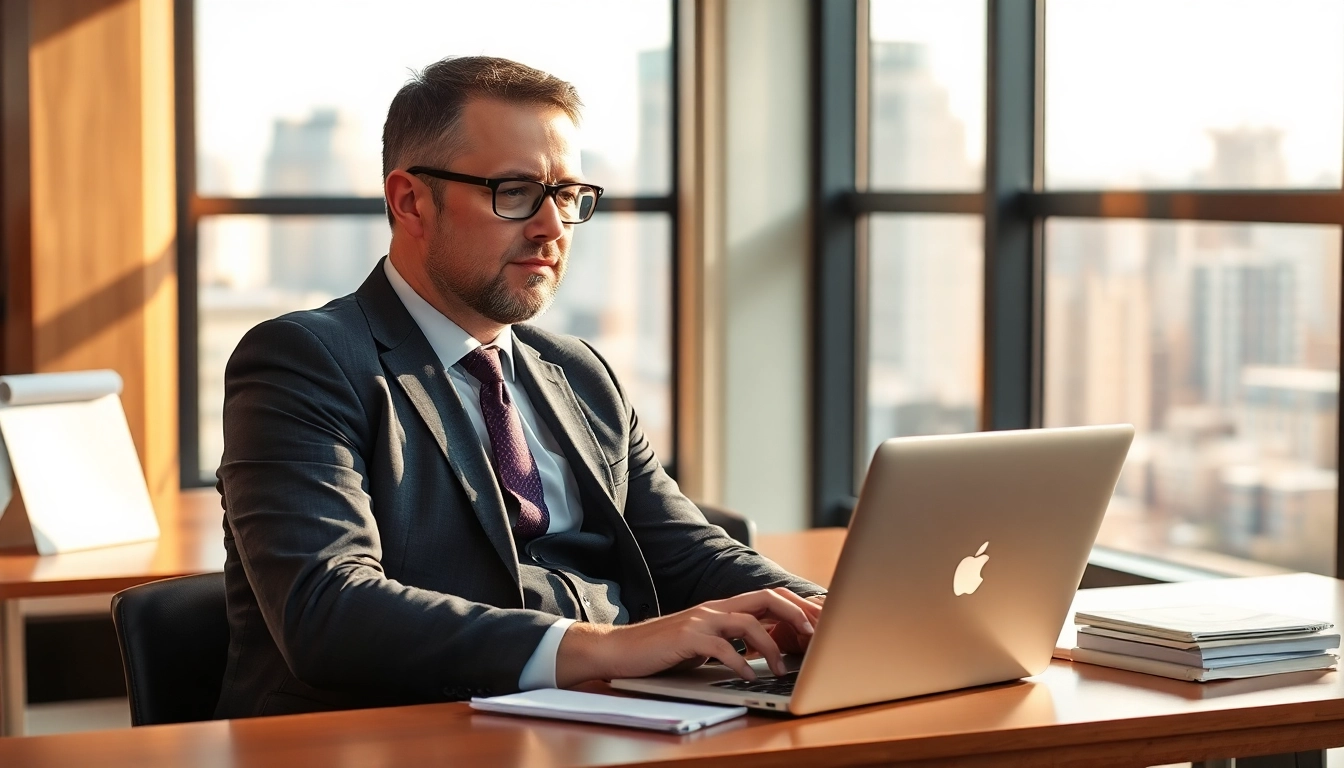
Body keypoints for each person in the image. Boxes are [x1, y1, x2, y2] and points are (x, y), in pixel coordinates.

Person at [214, 55, 825, 720]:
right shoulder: (303, 360)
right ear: (410, 200)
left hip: (610, 719)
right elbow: (328, 608)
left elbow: (686, 551)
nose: (552, 228)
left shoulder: (578, 371)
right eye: (514, 192)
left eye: (566, 196)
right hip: (396, 732)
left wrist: (832, 616)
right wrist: (604, 648)